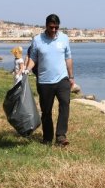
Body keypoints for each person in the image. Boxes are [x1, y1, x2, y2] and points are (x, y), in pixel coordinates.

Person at [25, 14, 75, 146]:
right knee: (46, 111)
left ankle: (60, 136)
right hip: (44, 81)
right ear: (46, 26)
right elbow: (33, 58)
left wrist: (71, 77)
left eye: (56, 27)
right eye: (51, 27)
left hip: (62, 79)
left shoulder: (64, 38)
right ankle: (47, 138)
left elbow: (68, 58)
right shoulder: (37, 40)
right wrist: (27, 70)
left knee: (65, 105)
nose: (54, 30)